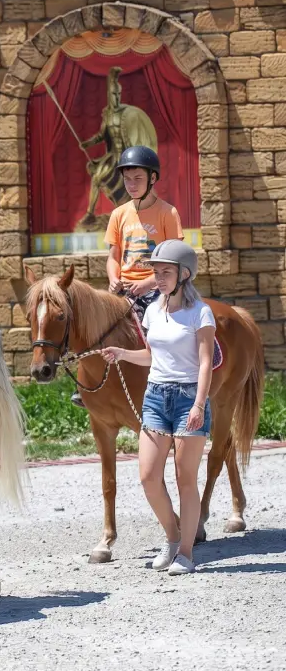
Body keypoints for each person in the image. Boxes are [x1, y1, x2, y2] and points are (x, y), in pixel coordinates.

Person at [100, 240, 214, 575]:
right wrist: (122, 354)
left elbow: (206, 363)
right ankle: (172, 538)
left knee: (184, 478)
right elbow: (152, 356)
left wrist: (198, 404)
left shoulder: (200, 313)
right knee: (149, 476)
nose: (158, 278)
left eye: (165, 272)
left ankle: (187, 554)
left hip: (188, 398)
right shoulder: (153, 310)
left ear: (184, 274)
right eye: (156, 272)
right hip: (156, 396)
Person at [72, 145, 184, 408]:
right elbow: (113, 256)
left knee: (162, 328)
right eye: (127, 179)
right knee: (90, 327)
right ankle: (85, 385)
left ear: (152, 179)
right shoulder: (118, 214)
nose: (131, 185)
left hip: (158, 287)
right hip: (123, 290)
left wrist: (148, 283)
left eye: (138, 179)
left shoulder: (168, 213)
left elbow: (174, 258)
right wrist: (113, 278)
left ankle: (172, 379)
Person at [77, 67, 158, 228]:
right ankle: (90, 214)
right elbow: (101, 135)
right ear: (109, 95)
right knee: (96, 178)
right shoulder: (107, 114)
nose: (117, 98)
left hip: (127, 157)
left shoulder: (126, 113)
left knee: (135, 184)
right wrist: (88, 144)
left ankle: (142, 211)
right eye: (114, 95)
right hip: (112, 156)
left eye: (119, 95)